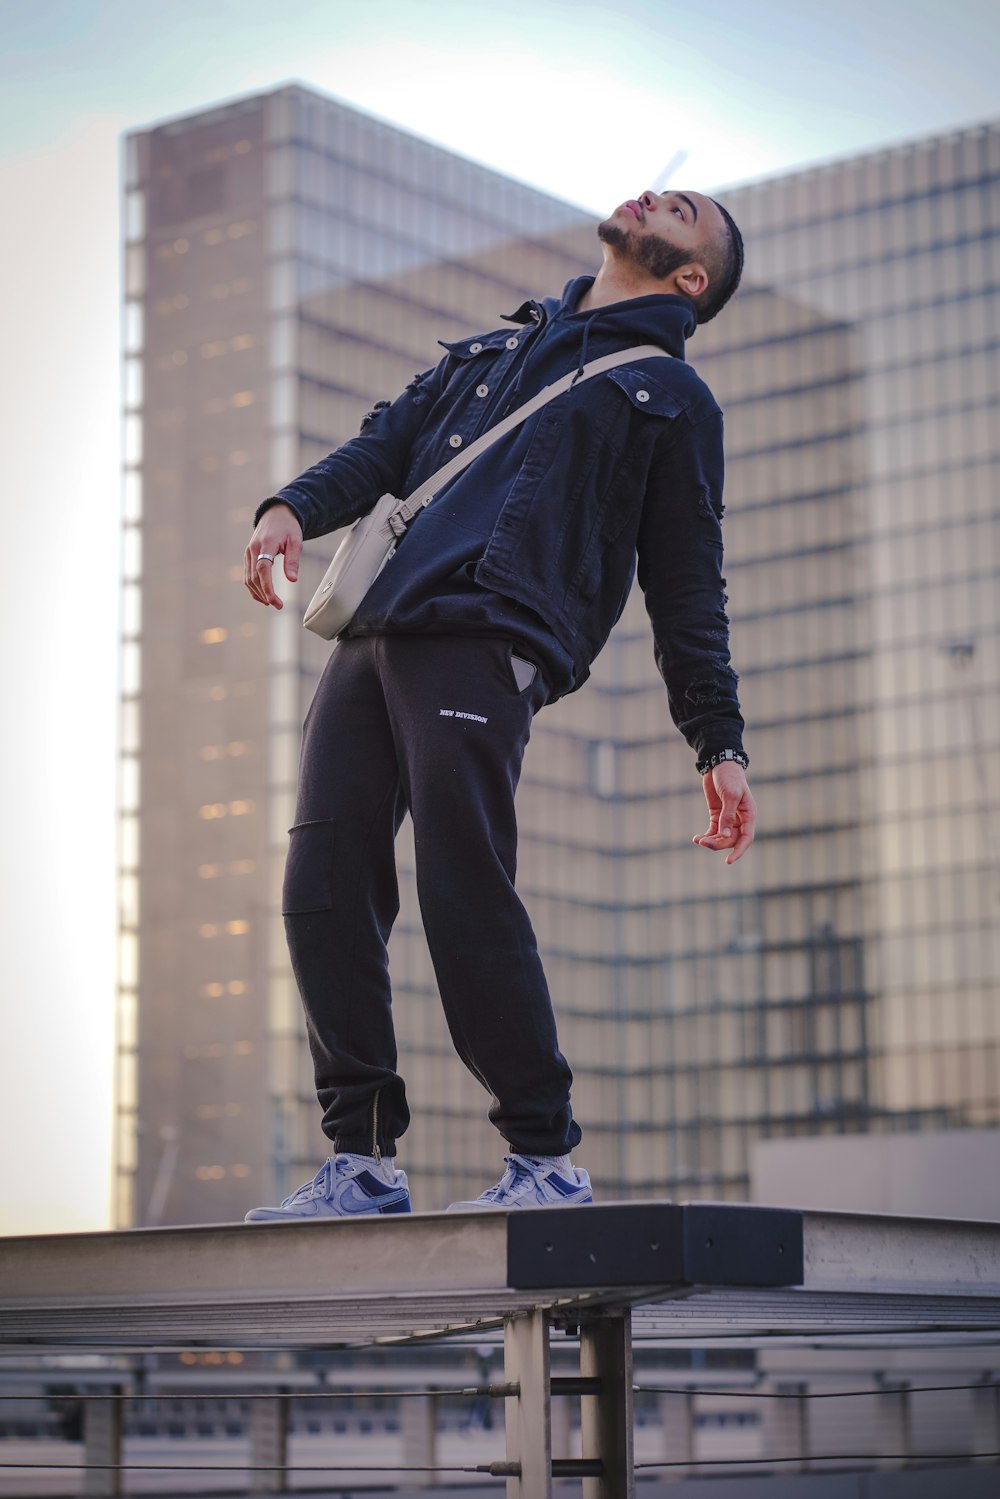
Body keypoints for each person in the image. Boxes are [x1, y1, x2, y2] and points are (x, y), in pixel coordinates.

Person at [242, 187, 757, 1221]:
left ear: (688, 276)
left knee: (462, 883)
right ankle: (363, 1162)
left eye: (687, 210)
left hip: (486, 638)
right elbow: (384, 446)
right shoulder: (493, 350)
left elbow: (687, 580)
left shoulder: (669, 397)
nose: (657, 195)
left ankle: (543, 1156)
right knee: (322, 885)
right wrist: (290, 508)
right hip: (374, 630)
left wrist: (716, 740)